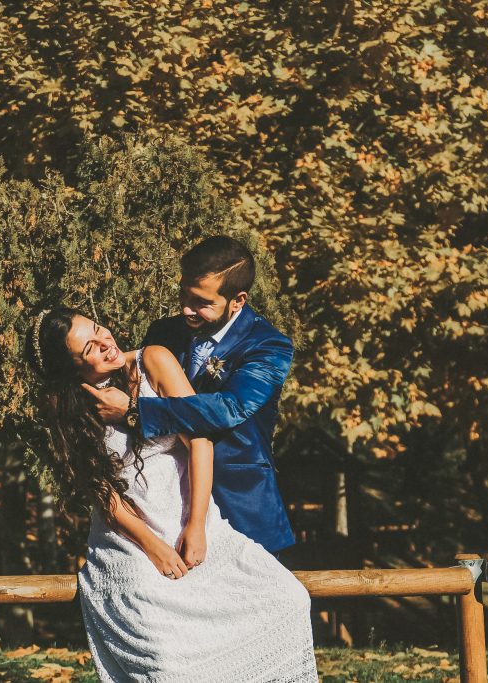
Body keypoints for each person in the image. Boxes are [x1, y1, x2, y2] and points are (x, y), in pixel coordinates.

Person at [29, 307, 316, 682]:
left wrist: (196, 525)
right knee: (167, 659)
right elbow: (101, 491)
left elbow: (200, 440)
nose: (105, 343)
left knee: (287, 600)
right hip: (128, 534)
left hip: (190, 515)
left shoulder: (153, 360)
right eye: (90, 349)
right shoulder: (66, 407)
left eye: (100, 330)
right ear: (71, 369)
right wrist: (152, 546)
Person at [83, 236, 297, 555]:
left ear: (237, 300)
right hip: (166, 509)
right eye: (183, 293)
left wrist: (135, 413)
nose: (186, 308)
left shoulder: (269, 346)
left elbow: (229, 408)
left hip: (237, 502)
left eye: (201, 302)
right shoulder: (164, 333)